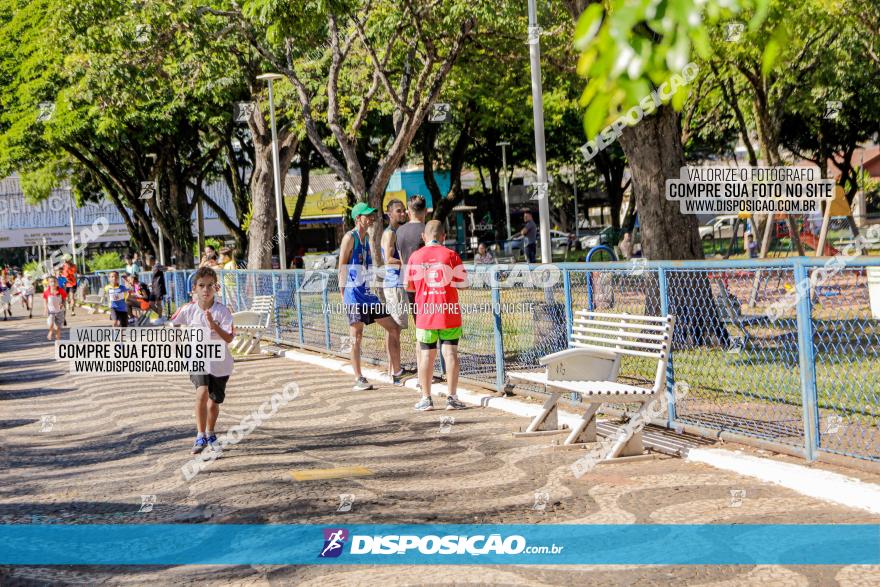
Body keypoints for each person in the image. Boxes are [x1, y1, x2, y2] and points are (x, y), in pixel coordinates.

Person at [338, 202, 402, 390]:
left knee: (394, 328)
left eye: (372, 215)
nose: (372, 218)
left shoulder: (367, 239)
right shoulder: (350, 238)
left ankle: (396, 373)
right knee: (356, 336)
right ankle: (359, 377)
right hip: (353, 295)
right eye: (368, 215)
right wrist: (343, 296)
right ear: (358, 218)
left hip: (367, 295)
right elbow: (341, 267)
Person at [170, 267, 235, 455]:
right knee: (202, 391)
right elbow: (173, 322)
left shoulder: (222, 311)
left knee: (214, 402)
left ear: (216, 288)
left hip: (220, 362)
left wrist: (213, 325)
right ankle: (200, 435)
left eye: (210, 286)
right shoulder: (188, 309)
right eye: (201, 286)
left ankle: (210, 432)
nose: (205, 290)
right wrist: (177, 343)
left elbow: (229, 338)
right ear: (194, 289)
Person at [405, 220, 467, 411]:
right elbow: (464, 284)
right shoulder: (451, 255)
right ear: (444, 237)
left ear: (424, 237)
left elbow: (409, 287)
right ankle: (452, 398)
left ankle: (426, 398)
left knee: (426, 355)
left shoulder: (415, 257)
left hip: (425, 313)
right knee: (450, 353)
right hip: (449, 312)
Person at [380, 199, 409, 332]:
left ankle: (394, 354)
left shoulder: (399, 232)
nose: (403, 213)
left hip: (399, 283)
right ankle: (393, 354)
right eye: (398, 211)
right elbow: (388, 260)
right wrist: (408, 262)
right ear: (389, 214)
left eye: (404, 210)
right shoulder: (390, 233)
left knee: (395, 328)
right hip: (394, 285)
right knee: (395, 328)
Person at [148, 255, 167, 323]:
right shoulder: (153, 267)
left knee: (158, 303)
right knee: (150, 304)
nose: (147, 263)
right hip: (153, 288)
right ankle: (161, 316)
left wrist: (169, 268)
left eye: (147, 261)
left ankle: (160, 318)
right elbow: (155, 278)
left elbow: (165, 268)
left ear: (151, 260)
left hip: (159, 288)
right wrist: (151, 283)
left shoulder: (157, 265)